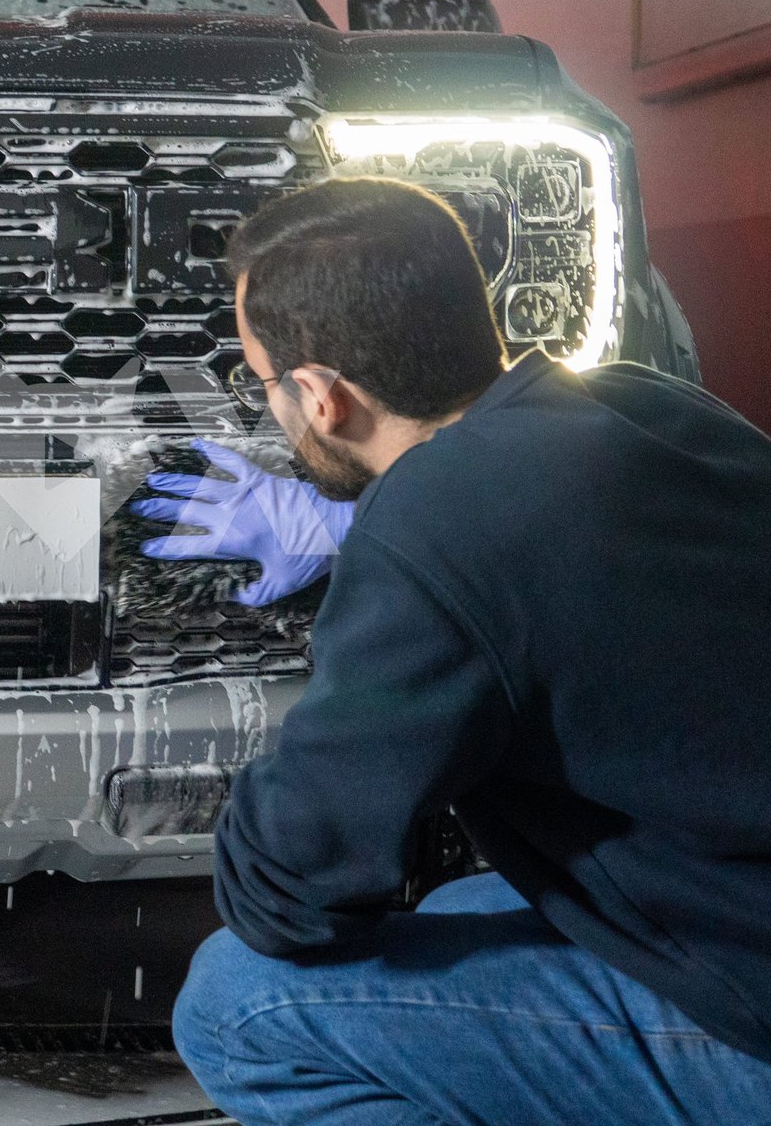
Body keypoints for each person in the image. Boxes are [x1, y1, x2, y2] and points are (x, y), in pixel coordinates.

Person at [131, 177, 771, 1125]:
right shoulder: (653, 407)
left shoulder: (430, 533)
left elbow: (289, 893)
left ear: (322, 396)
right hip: (739, 904)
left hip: (751, 1014)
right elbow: (541, 546)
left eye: (262, 382)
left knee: (238, 1001)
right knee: (447, 920)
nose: (268, 406)